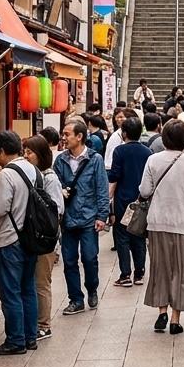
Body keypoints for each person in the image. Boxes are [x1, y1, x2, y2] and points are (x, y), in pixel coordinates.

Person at [137, 120, 184, 333]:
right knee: (182, 271)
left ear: (164, 137)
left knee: (161, 269)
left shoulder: (152, 160)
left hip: (157, 223)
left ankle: (162, 312)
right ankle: (176, 319)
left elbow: (145, 190)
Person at [0, 132, 40, 354]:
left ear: (3, 151)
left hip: (11, 239)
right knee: (28, 288)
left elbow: (0, 207)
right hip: (31, 238)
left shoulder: (8, 173)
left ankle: (16, 340)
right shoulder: (33, 169)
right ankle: (30, 337)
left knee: (10, 292)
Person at [56, 118, 109, 314]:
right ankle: (75, 299)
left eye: (67, 134)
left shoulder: (95, 160)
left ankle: (92, 288)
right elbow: (54, 185)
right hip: (68, 219)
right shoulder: (60, 160)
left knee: (89, 257)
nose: (64, 138)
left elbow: (102, 190)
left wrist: (102, 216)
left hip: (88, 217)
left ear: (80, 137)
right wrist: (61, 192)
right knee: (69, 261)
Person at [21, 135, 65, 340]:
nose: (26, 156)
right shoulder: (33, 175)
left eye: (30, 152)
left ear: (41, 154)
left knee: (41, 282)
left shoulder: (49, 178)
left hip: (44, 240)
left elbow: (55, 210)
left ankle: (44, 325)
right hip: (32, 238)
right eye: (25, 152)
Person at [108, 117, 153, 287]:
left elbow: (114, 177)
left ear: (124, 133)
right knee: (139, 237)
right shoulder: (147, 152)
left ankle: (125, 274)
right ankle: (139, 274)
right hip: (141, 201)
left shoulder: (119, 151)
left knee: (122, 237)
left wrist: (108, 202)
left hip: (123, 201)